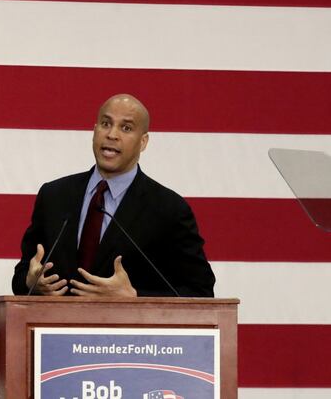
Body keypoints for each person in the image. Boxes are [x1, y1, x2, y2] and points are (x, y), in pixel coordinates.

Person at [11, 94, 215, 297]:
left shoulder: (169, 209)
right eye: (106, 124)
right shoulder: (54, 196)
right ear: (94, 131)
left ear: (143, 142)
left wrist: (133, 297)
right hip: (54, 327)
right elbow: (21, 277)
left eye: (126, 128)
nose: (112, 134)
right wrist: (32, 282)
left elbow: (201, 293)